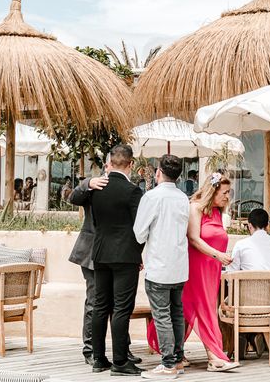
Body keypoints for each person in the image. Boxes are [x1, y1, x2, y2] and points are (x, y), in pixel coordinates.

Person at [68, 166, 140, 367]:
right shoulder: (95, 186)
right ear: (106, 167)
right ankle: (90, 350)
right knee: (96, 302)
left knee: (118, 303)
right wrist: (87, 183)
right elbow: (72, 198)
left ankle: (121, 349)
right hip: (92, 252)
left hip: (117, 252)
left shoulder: (125, 188)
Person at [89, 145, 144, 376]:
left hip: (100, 253)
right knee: (122, 308)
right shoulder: (133, 191)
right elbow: (139, 227)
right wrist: (137, 252)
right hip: (125, 256)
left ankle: (99, 359)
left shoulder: (97, 187)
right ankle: (120, 362)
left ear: (110, 162)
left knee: (101, 306)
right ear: (131, 164)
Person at [135, 155, 190, 379]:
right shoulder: (183, 198)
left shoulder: (151, 197)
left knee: (162, 316)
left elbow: (139, 233)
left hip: (159, 265)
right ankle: (177, 360)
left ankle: (168, 365)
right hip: (179, 266)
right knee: (176, 314)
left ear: (159, 172)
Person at [180, 172, 239, 372]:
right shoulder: (195, 208)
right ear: (212, 191)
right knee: (204, 309)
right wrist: (218, 255)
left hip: (211, 269)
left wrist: (219, 258)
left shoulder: (217, 212)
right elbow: (194, 239)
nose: (227, 197)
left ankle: (176, 352)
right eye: (225, 192)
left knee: (202, 309)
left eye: (228, 193)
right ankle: (214, 357)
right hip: (196, 268)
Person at [227, 208, 270, 359]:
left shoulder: (241, 245)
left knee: (225, 303)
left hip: (242, 305)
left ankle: (241, 339)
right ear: (268, 226)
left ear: (249, 226)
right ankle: (252, 337)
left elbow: (231, 277)